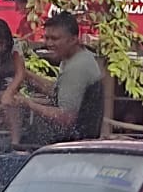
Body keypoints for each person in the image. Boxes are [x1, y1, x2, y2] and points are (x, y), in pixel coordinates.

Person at [17, 10, 105, 146]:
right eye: (46, 38)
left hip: (72, 146)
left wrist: (28, 104)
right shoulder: (72, 58)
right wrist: (25, 74)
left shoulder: (78, 67)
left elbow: (66, 118)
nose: (49, 43)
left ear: (73, 39)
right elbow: (59, 91)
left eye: (55, 38)